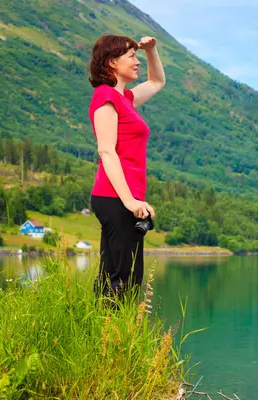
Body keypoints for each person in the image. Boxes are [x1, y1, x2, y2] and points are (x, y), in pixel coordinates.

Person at [88, 34, 165, 300]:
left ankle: (103, 335)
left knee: (118, 275)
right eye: (131, 56)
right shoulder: (105, 97)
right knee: (123, 279)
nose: (137, 62)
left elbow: (157, 82)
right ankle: (112, 337)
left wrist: (150, 51)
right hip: (115, 198)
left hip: (123, 198)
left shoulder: (126, 99)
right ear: (111, 63)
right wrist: (130, 201)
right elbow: (106, 151)